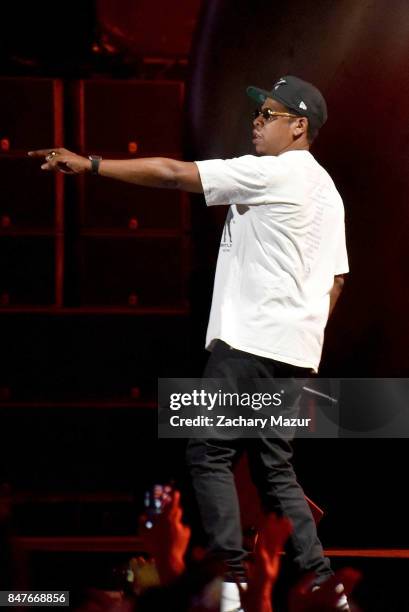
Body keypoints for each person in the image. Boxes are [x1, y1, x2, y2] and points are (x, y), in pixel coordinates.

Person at [28, 74, 349, 611]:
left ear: (299, 126)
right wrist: (304, 336)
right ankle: (323, 586)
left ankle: (229, 581)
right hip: (295, 350)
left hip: (250, 341)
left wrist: (91, 164)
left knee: (208, 449)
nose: (256, 121)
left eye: (268, 114)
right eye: (258, 112)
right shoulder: (328, 191)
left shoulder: (274, 174)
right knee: (274, 468)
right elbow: (336, 280)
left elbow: (177, 174)